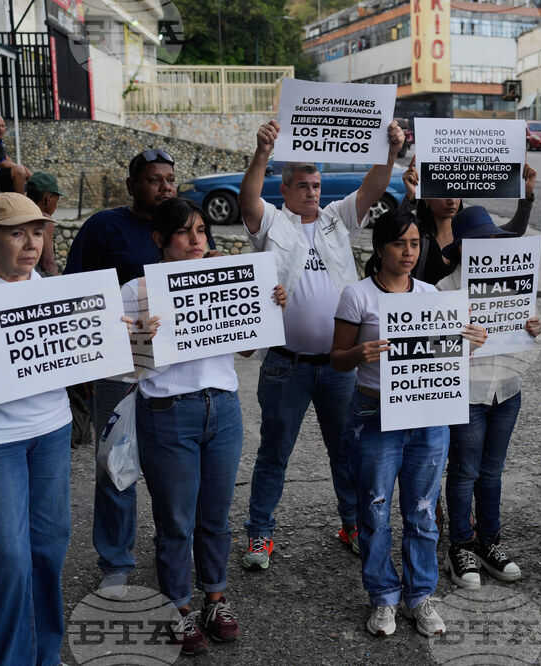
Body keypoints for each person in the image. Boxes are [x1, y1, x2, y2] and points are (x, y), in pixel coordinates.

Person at [122, 198, 287, 655]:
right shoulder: (137, 290)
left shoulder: (225, 275)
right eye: (184, 232)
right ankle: (178, 607)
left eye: (201, 230)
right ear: (160, 239)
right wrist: (141, 337)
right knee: (176, 520)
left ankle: (215, 599)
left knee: (215, 516)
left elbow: (248, 350)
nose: (197, 240)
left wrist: (268, 307)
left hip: (224, 408)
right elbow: (123, 367)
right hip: (168, 412)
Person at [238, 119, 404, 569]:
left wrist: (390, 153)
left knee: (346, 450)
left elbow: (372, 189)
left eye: (316, 186)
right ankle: (260, 534)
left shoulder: (335, 219)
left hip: (338, 365)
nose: (312, 193)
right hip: (285, 364)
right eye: (303, 186)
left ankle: (352, 524)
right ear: (285, 190)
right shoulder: (272, 222)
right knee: (274, 454)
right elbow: (247, 199)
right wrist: (262, 152)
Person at [330, 210, 486, 637]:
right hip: (374, 416)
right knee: (374, 511)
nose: (408, 252)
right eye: (399, 243)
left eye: (415, 244)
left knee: (422, 512)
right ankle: (383, 596)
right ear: (380, 247)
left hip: (427, 417)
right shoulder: (358, 295)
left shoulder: (431, 294)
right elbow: (336, 358)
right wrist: (358, 355)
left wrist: (471, 343)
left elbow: (443, 360)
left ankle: (420, 595)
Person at [65, 147, 195, 599]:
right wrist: (83, 364)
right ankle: (116, 562)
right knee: (115, 466)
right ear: (131, 186)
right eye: (154, 180)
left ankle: (174, 557)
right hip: (119, 372)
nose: (165, 187)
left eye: (170, 179)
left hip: (174, 376)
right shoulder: (104, 226)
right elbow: (76, 292)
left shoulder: (186, 226)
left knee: (172, 472)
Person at [435, 206, 541, 589]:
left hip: (507, 389)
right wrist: (465, 343)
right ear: (462, 247)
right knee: (465, 471)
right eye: (482, 240)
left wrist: (533, 327)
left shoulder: (514, 282)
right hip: (467, 393)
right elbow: (435, 352)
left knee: (493, 471)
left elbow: (527, 333)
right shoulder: (444, 290)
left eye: (494, 239)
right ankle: (460, 545)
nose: (491, 246)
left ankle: (489, 541)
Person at [0, 193, 72, 665]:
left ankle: (46, 656)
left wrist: (125, 336)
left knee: (48, 551)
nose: (31, 243)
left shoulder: (57, 292)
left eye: (37, 232)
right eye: (17, 233)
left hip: (52, 430)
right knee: (8, 558)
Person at [399, 156, 537, 284]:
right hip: (426, 303)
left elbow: (516, 230)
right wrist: (411, 197)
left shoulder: (472, 232)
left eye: (456, 192)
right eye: (443, 193)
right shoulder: (417, 237)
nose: (452, 200)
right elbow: (394, 231)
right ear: (426, 199)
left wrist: (526, 196)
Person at [24, 172, 63, 276]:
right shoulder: (44, 219)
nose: (56, 205)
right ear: (48, 198)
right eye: (57, 200)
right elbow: (47, 262)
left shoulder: (18, 213)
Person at [0, 114, 31, 194]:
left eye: (3, 126)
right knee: (19, 171)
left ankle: (23, 196)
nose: (1, 129)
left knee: (22, 172)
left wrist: (23, 169)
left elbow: (4, 157)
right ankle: (20, 200)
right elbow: (2, 163)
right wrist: (22, 168)